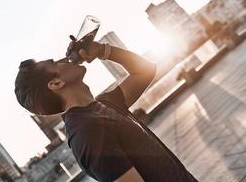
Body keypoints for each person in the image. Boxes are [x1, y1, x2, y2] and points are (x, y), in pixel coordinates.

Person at [14, 39, 198, 182]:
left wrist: (103, 50)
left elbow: (146, 70)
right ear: (55, 83)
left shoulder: (104, 104)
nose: (65, 59)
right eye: (55, 62)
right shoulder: (87, 134)